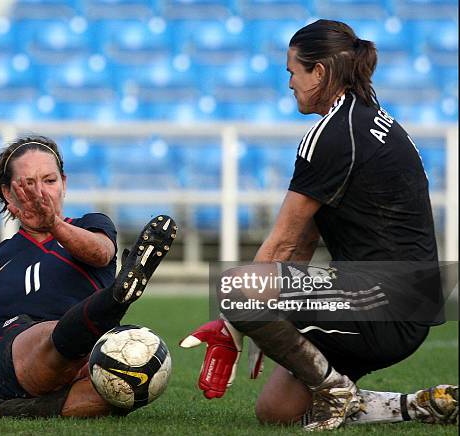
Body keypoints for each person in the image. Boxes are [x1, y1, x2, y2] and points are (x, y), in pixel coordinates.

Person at [180, 19, 458, 431]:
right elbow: (302, 243)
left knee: (234, 287)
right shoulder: (375, 121)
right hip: (407, 300)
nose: (289, 82)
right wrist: (272, 320)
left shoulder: (330, 136)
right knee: (277, 411)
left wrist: (237, 319)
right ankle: (413, 406)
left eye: (293, 71)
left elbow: (278, 246)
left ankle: (334, 389)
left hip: (382, 304)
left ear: (320, 72)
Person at [0, 136, 177, 418]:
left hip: (90, 359)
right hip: (16, 360)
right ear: (8, 192)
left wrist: (53, 224)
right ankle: (116, 298)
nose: (41, 192)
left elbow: (101, 254)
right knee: (51, 336)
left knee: (134, 371)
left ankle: (4, 411)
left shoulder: (93, 225)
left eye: (50, 181)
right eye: (29, 184)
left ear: (64, 183)